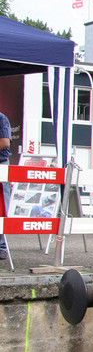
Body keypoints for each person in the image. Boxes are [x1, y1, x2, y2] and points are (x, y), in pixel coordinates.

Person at [0, 111, 10, 260]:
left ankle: (1, 246)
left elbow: (4, 142)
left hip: (0, 166)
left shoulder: (1, 118)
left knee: (1, 206)